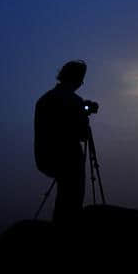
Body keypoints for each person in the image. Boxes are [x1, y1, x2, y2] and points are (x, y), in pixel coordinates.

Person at [34, 61, 90, 226]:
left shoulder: (44, 100)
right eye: (81, 79)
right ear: (77, 79)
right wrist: (84, 117)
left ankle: (59, 228)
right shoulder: (74, 101)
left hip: (47, 157)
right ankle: (66, 231)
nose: (82, 83)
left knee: (63, 196)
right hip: (70, 159)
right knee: (72, 199)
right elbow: (82, 134)